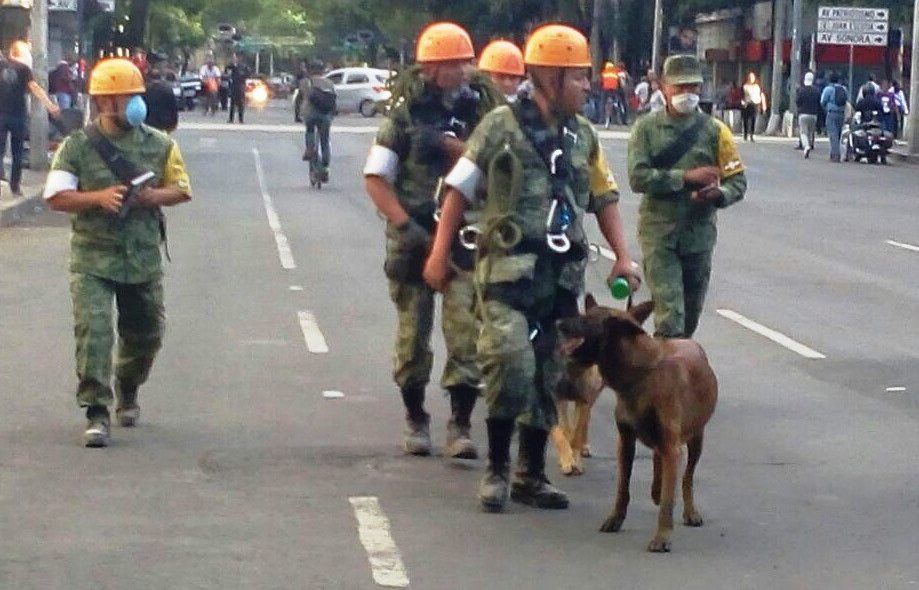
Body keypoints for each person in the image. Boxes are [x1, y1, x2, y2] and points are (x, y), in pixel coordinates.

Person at [424, 24, 640, 513]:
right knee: (508, 362)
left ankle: (530, 473)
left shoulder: (583, 135)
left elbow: (603, 197)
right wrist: (439, 255)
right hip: (505, 269)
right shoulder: (500, 127)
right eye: (580, 77)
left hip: (559, 276)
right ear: (550, 76)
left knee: (548, 372)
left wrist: (623, 256)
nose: (589, 86)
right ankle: (497, 468)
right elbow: (459, 188)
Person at [363, 23, 504, 461]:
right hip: (414, 235)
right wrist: (406, 227)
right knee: (413, 335)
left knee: (467, 335)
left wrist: (458, 147)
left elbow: (499, 161)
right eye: (451, 64)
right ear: (429, 68)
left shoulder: (485, 114)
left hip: (466, 233)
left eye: (466, 62)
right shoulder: (403, 119)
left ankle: (460, 423)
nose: (462, 71)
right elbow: (376, 179)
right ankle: (415, 415)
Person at [42, 58, 192, 447]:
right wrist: (97, 198)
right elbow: (55, 197)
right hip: (92, 257)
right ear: (101, 103)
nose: (126, 104)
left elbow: (181, 188)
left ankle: (128, 386)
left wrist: (150, 196)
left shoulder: (160, 145)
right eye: (117, 98)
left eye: (130, 96)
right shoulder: (76, 147)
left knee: (146, 334)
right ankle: (96, 411)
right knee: (94, 332)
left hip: (142, 257)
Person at [627, 54, 747, 339]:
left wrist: (720, 193)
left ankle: (673, 369)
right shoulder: (646, 129)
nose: (687, 94)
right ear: (664, 88)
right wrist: (685, 178)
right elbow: (638, 177)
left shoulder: (716, 131)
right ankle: (666, 381)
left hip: (699, 235)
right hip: (660, 234)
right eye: (680, 88)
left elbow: (738, 180)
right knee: (671, 319)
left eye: (693, 87)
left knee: (690, 317)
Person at [0, 41, 61, 197]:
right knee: (17, 152)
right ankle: (15, 186)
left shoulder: (2, 65)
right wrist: (50, 106)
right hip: (18, 115)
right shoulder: (25, 69)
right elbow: (35, 88)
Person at [296, 59, 336, 180]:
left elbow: (300, 99)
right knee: (325, 140)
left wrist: (297, 115)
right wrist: (332, 114)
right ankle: (325, 166)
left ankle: (310, 149)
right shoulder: (329, 83)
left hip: (311, 115)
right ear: (323, 70)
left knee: (310, 130)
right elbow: (333, 100)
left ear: (310, 70)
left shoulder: (305, 82)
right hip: (325, 116)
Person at [821, 73, 848, 163]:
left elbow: (823, 101)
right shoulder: (844, 89)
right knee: (838, 134)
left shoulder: (828, 89)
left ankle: (835, 155)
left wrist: (826, 108)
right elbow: (846, 100)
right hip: (841, 114)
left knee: (833, 135)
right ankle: (835, 153)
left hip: (832, 113)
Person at [143, 68, 178, 133]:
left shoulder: (144, 90)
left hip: (147, 123)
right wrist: (174, 122)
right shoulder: (167, 89)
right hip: (163, 124)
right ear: (160, 77)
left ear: (148, 77)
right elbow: (173, 107)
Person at [796, 72, 822, 159]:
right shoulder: (816, 91)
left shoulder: (801, 90)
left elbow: (797, 102)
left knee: (803, 132)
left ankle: (806, 146)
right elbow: (819, 103)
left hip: (803, 114)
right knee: (811, 132)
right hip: (814, 115)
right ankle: (810, 144)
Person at [225, 53, 250, 124]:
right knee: (232, 104)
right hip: (233, 87)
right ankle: (231, 119)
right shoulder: (230, 66)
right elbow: (226, 73)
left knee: (241, 104)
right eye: (233, 58)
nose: (234, 59)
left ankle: (241, 119)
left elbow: (248, 74)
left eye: (235, 57)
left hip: (241, 86)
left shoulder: (243, 66)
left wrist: (242, 77)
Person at [741, 72, 766, 141]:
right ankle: (745, 134)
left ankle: (752, 134)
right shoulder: (744, 86)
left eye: (752, 77)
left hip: (755, 104)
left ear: (754, 78)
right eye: (750, 77)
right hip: (746, 104)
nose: (751, 78)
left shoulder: (757, 86)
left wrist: (764, 106)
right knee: (745, 120)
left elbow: (762, 95)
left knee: (753, 120)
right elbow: (741, 96)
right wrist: (742, 102)